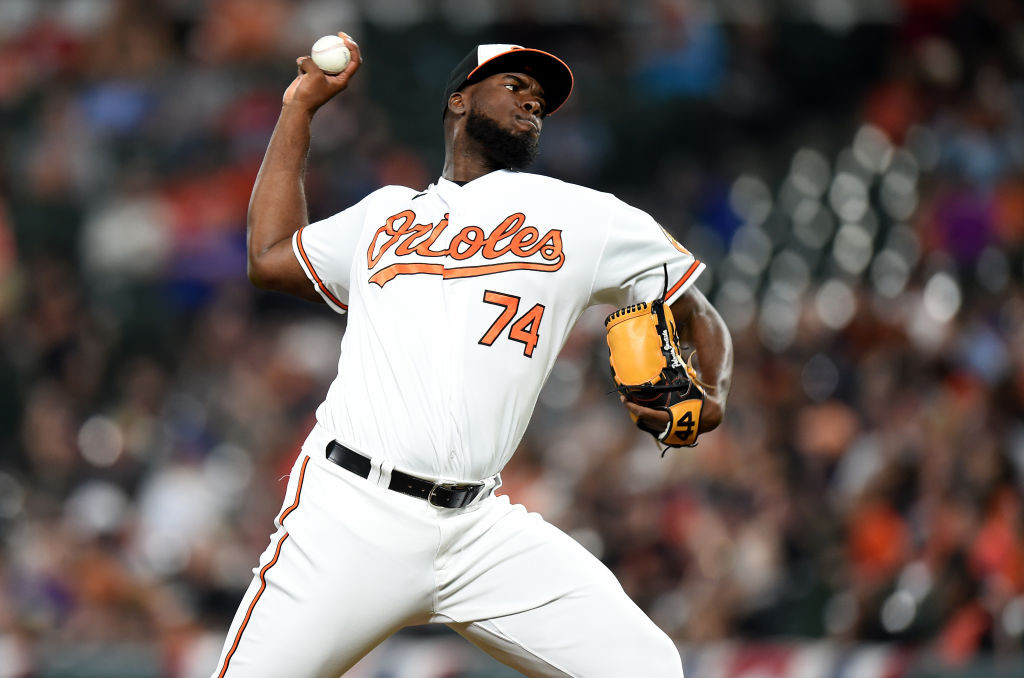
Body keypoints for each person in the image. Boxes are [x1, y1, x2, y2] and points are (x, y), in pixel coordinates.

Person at [211, 36, 733, 678]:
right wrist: (298, 109)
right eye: (514, 87)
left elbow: (695, 308)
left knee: (648, 667)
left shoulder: (584, 218)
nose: (532, 104)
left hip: (479, 529)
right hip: (350, 512)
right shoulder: (383, 216)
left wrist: (711, 398)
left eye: (540, 100)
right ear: (458, 101)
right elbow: (269, 257)